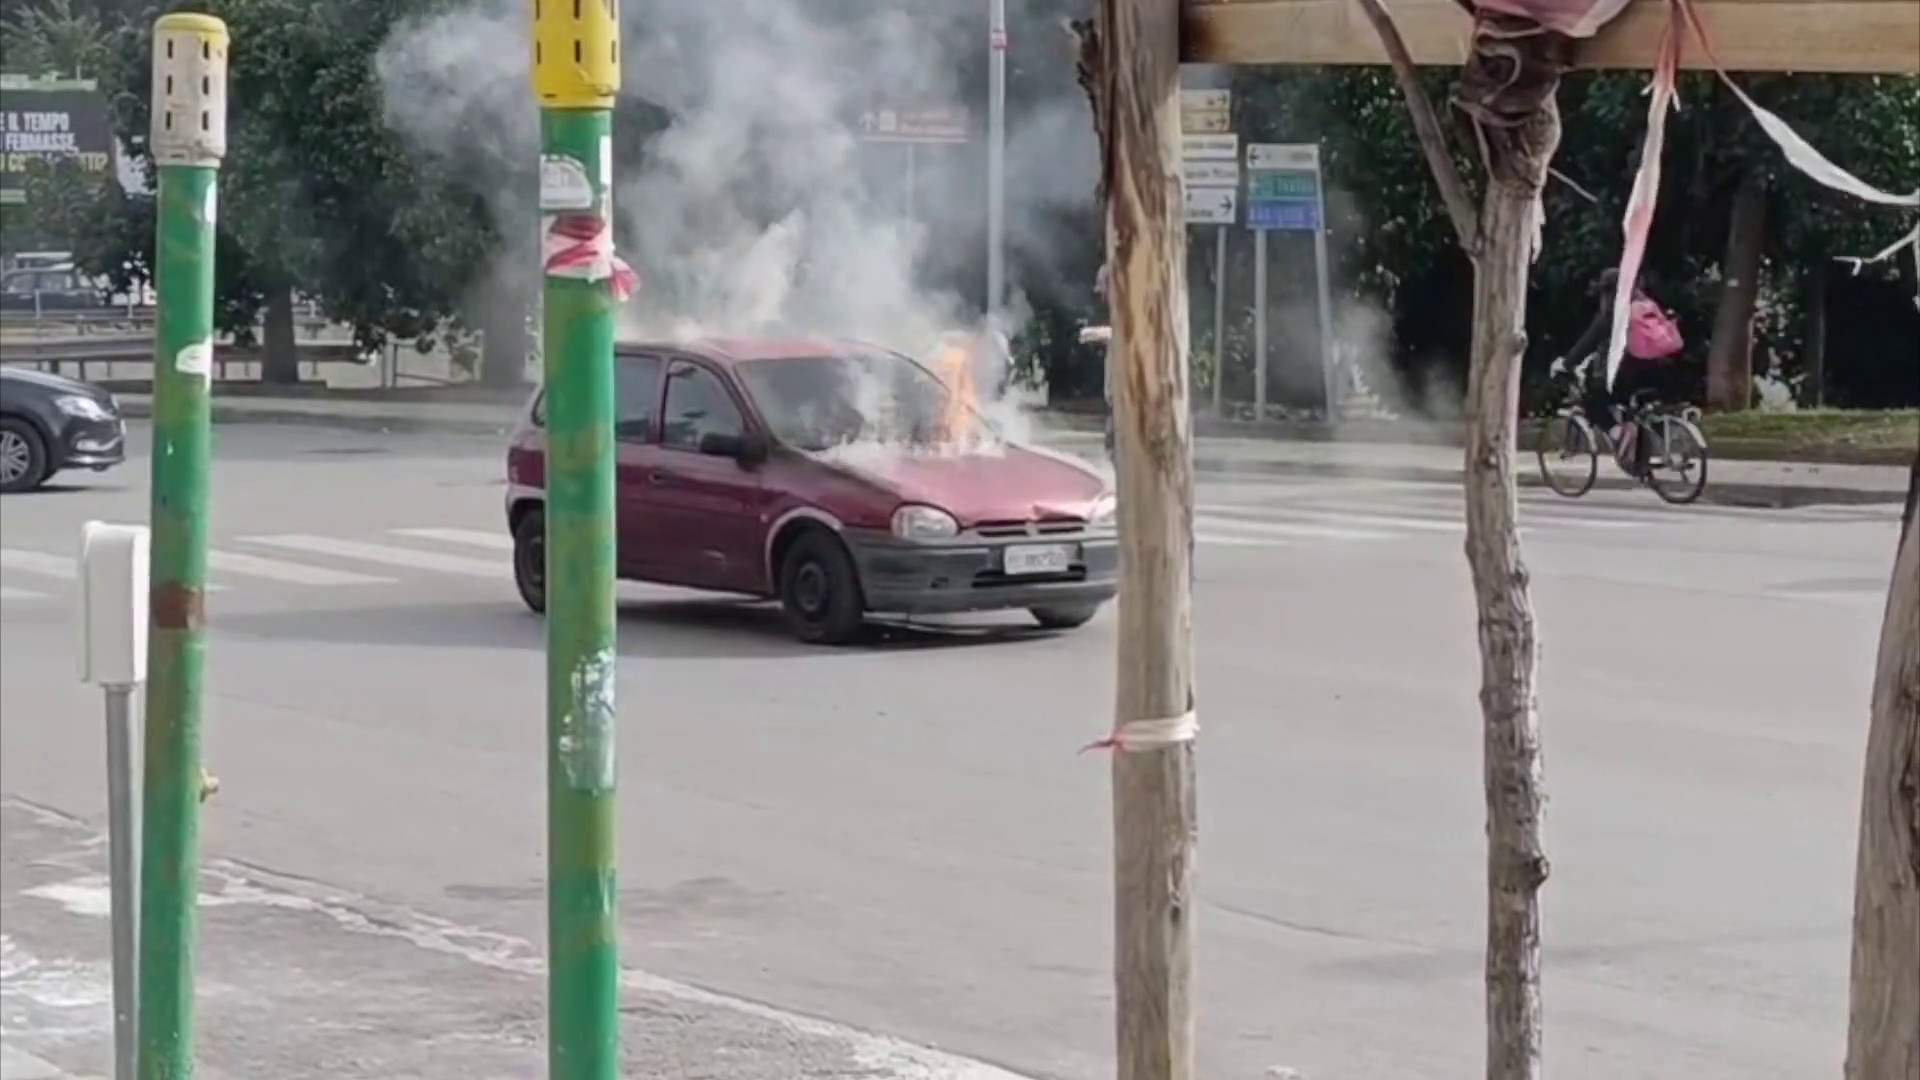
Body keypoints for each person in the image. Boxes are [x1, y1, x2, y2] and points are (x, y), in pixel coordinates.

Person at [1551, 268, 1679, 475]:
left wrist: (1566, 364)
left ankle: (1616, 432)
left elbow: (1588, 342)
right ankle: (1638, 461)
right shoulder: (1647, 305)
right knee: (1635, 412)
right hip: (1657, 372)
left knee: (1592, 399)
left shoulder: (1614, 313)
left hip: (1625, 375)